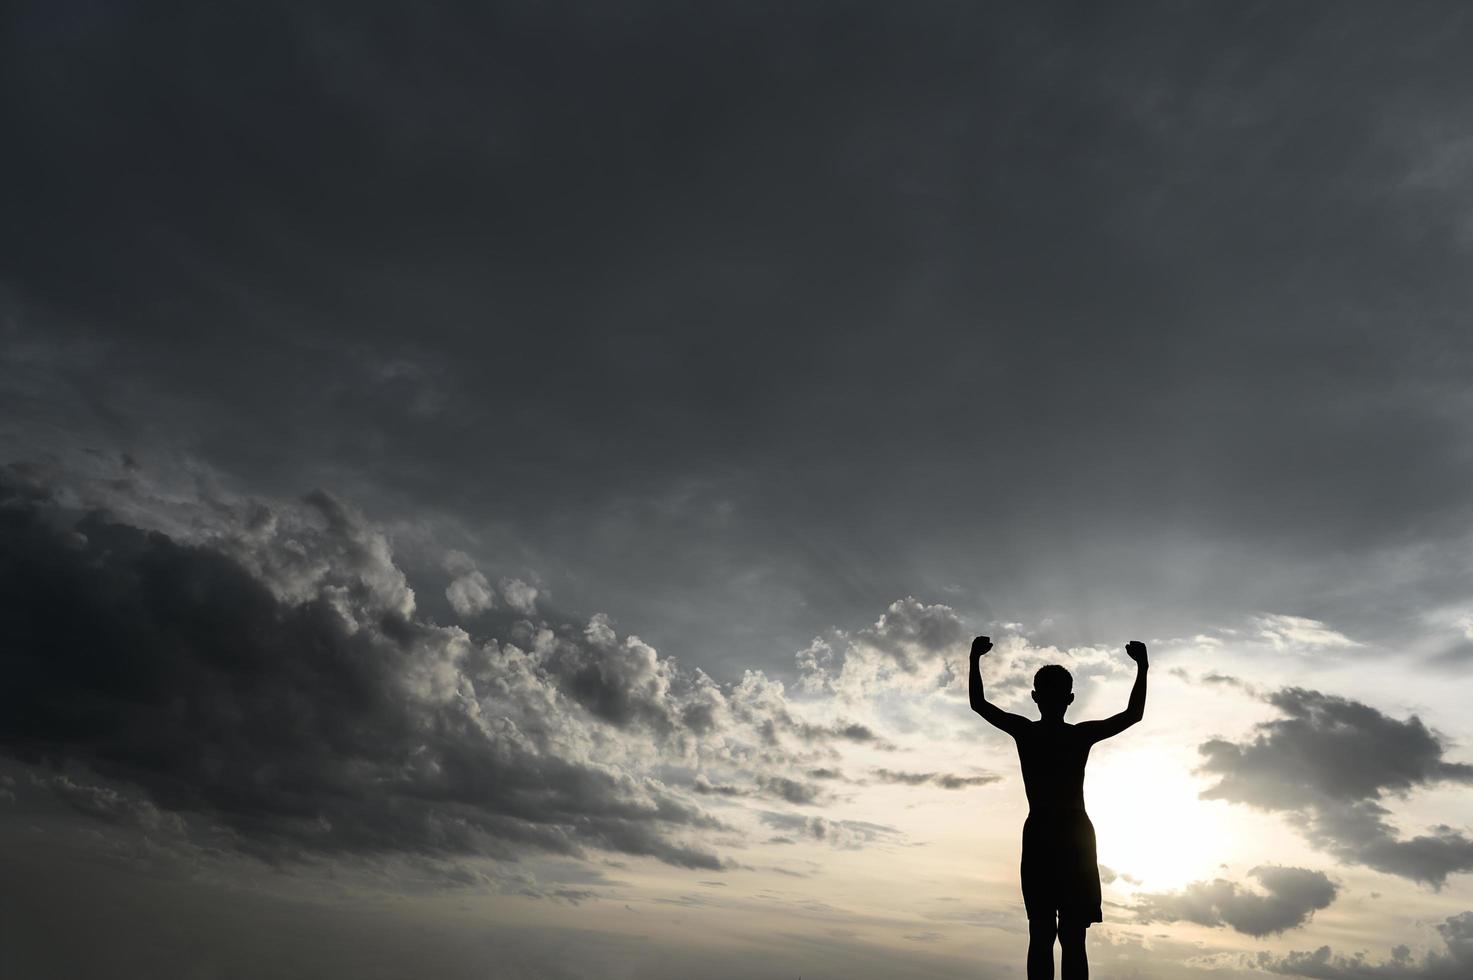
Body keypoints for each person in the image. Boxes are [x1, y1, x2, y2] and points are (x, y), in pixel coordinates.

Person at [969, 635, 1148, 980]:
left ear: (1035, 698)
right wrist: (1142, 667)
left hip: (1047, 834)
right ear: (1070, 699)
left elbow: (979, 703)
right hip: (1071, 835)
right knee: (1068, 936)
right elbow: (1133, 715)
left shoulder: (1029, 732)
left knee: (1046, 934)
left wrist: (975, 658)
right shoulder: (1076, 736)